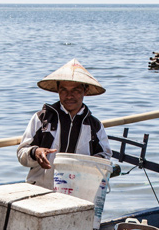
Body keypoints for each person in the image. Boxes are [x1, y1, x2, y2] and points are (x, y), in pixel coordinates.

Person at [17, 59, 112, 188]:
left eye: (76, 90)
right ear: (58, 90)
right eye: (64, 90)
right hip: (41, 188)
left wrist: (91, 163)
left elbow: (105, 156)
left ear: (86, 90)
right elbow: (22, 153)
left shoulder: (94, 125)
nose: (69, 96)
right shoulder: (42, 118)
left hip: (79, 190)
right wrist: (35, 152)